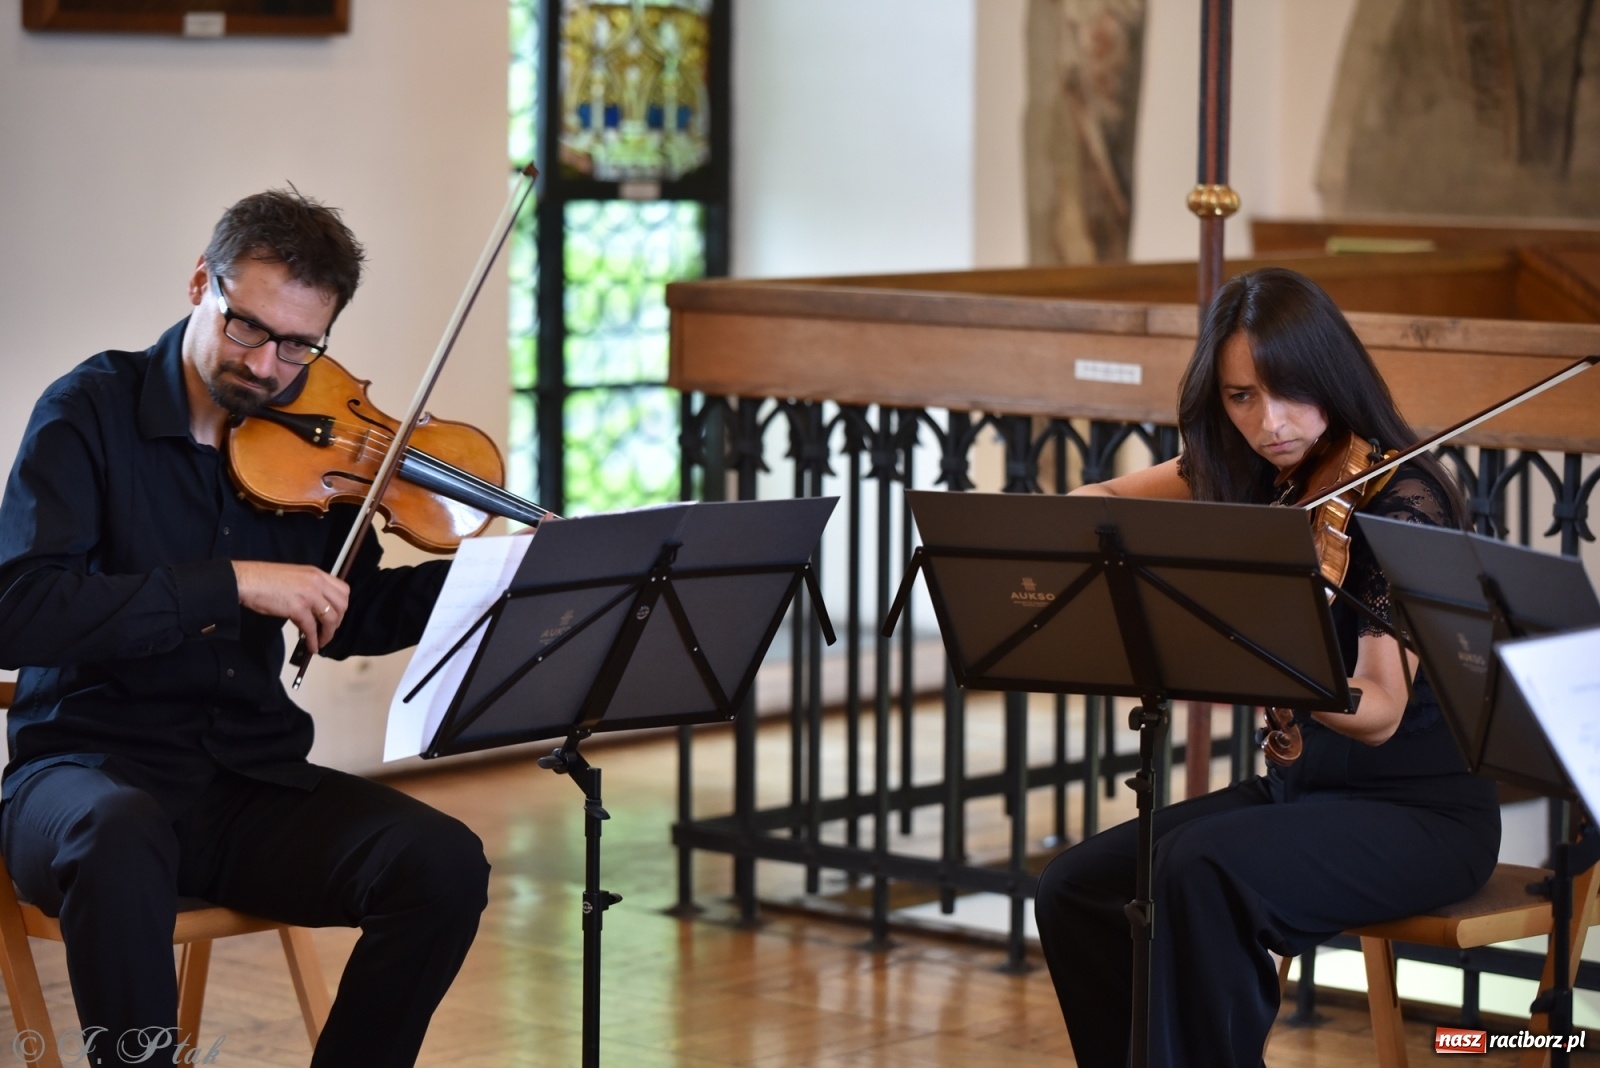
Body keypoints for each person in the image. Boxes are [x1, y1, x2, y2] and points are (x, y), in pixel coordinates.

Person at [0, 189, 491, 1067]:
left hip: (245, 782)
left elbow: (349, 613)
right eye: (249, 328)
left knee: (442, 864)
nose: (268, 367)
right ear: (202, 282)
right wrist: (228, 585)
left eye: (300, 345)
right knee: (117, 832)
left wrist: (490, 582)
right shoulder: (88, 413)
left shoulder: (314, 448)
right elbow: (20, 612)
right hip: (81, 777)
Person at [1032, 267, 1502, 1068]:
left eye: (1288, 391)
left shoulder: (1404, 498)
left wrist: (1263, 656)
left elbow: (1381, 709)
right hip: (1301, 794)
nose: (1269, 422)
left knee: (1199, 869)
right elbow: (1105, 496)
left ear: (1331, 376)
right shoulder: (1257, 473)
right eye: (1241, 396)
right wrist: (1070, 528)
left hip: (1419, 816)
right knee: (1078, 886)